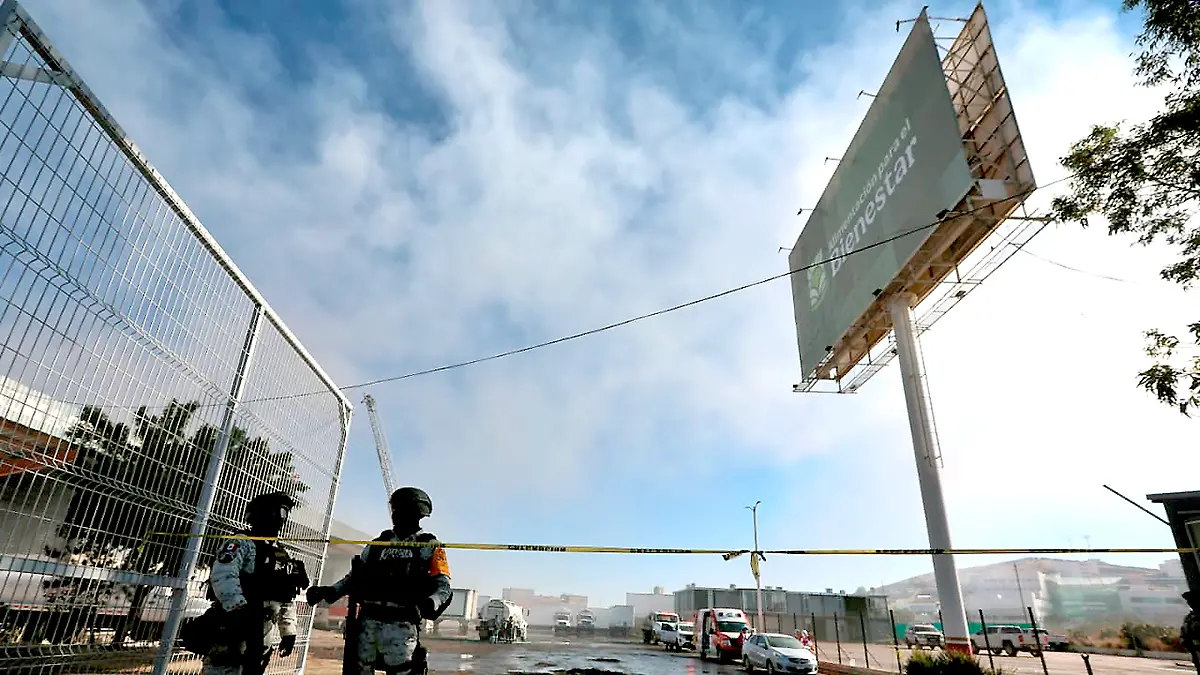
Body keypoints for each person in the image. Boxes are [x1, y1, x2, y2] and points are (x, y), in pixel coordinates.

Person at [306, 487, 452, 675]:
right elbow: (354, 577)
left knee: (403, 671)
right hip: (368, 623)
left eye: (400, 509)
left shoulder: (429, 545)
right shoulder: (378, 543)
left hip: (401, 625)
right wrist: (330, 591)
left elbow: (443, 586)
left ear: (416, 513)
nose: (395, 514)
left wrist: (431, 602)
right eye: (394, 509)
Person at [202, 491, 309, 675]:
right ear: (263, 513)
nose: (281, 519)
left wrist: (288, 630)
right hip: (233, 630)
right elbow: (223, 575)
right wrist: (239, 610)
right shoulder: (241, 543)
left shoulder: (279, 553)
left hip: (262, 634)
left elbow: (285, 594)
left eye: (284, 513)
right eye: (278, 512)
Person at [1182, 590, 1200, 674]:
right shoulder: (1189, 617)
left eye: (1192, 601)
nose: (1189, 603)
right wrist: (1185, 642)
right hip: (1195, 650)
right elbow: (1184, 632)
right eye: (1188, 601)